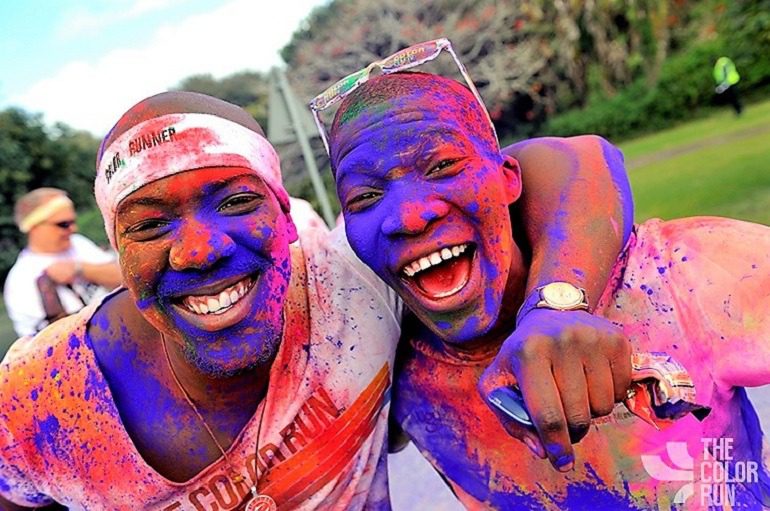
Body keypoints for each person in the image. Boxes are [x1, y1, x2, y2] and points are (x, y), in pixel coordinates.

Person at [0, 91, 633, 510]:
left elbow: (574, 159)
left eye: (237, 202)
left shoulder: (351, 283)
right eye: (149, 224)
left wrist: (558, 303)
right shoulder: (36, 398)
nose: (198, 251)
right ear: (117, 247)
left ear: (286, 213)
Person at [327, 71, 770, 509]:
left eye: (443, 166)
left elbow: (583, 156)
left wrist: (558, 305)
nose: (408, 216)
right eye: (365, 197)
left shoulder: (671, 274)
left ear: (509, 179)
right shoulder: (397, 380)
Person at [3, 188, 122, 337]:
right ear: (33, 226)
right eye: (63, 224)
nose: (73, 229)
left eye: (73, 221)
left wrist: (80, 269)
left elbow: (125, 279)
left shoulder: (78, 243)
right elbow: (51, 344)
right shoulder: (21, 280)